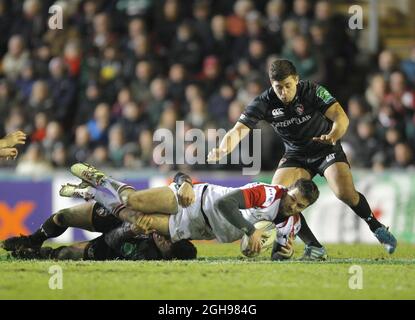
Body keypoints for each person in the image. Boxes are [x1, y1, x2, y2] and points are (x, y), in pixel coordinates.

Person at [207, 59, 397, 255]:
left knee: (344, 193)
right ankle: (312, 246)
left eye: (288, 86)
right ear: (271, 84)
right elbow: (238, 131)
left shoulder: (313, 91)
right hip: (295, 154)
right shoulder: (264, 101)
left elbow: (341, 117)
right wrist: (222, 150)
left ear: (296, 80)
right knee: (279, 199)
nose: (283, 92)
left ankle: (376, 227)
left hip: (325, 148)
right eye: (278, 87)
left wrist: (333, 135)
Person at [62, 163, 320, 259]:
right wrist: (250, 231)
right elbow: (225, 204)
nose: (292, 206)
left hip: (199, 228)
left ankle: (89, 193)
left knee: (137, 219)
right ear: (288, 190)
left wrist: (283, 254)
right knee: (135, 202)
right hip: (196, 200)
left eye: (300, 206)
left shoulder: (292, 224)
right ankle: (102, 180)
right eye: (293, 199)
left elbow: (275, 255)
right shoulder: (268, 193)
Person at [1, 190, 196, 261]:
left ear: (167, 256)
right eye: (170, 237)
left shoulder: (148, 253)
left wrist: (131, 230)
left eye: (166, 244)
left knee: (67, 254)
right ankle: (34, 240)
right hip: (119, 217)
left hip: (113, 245)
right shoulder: (172, 222)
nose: (164, 237)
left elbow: (112, 239)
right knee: (62, 217)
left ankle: (39, 255)